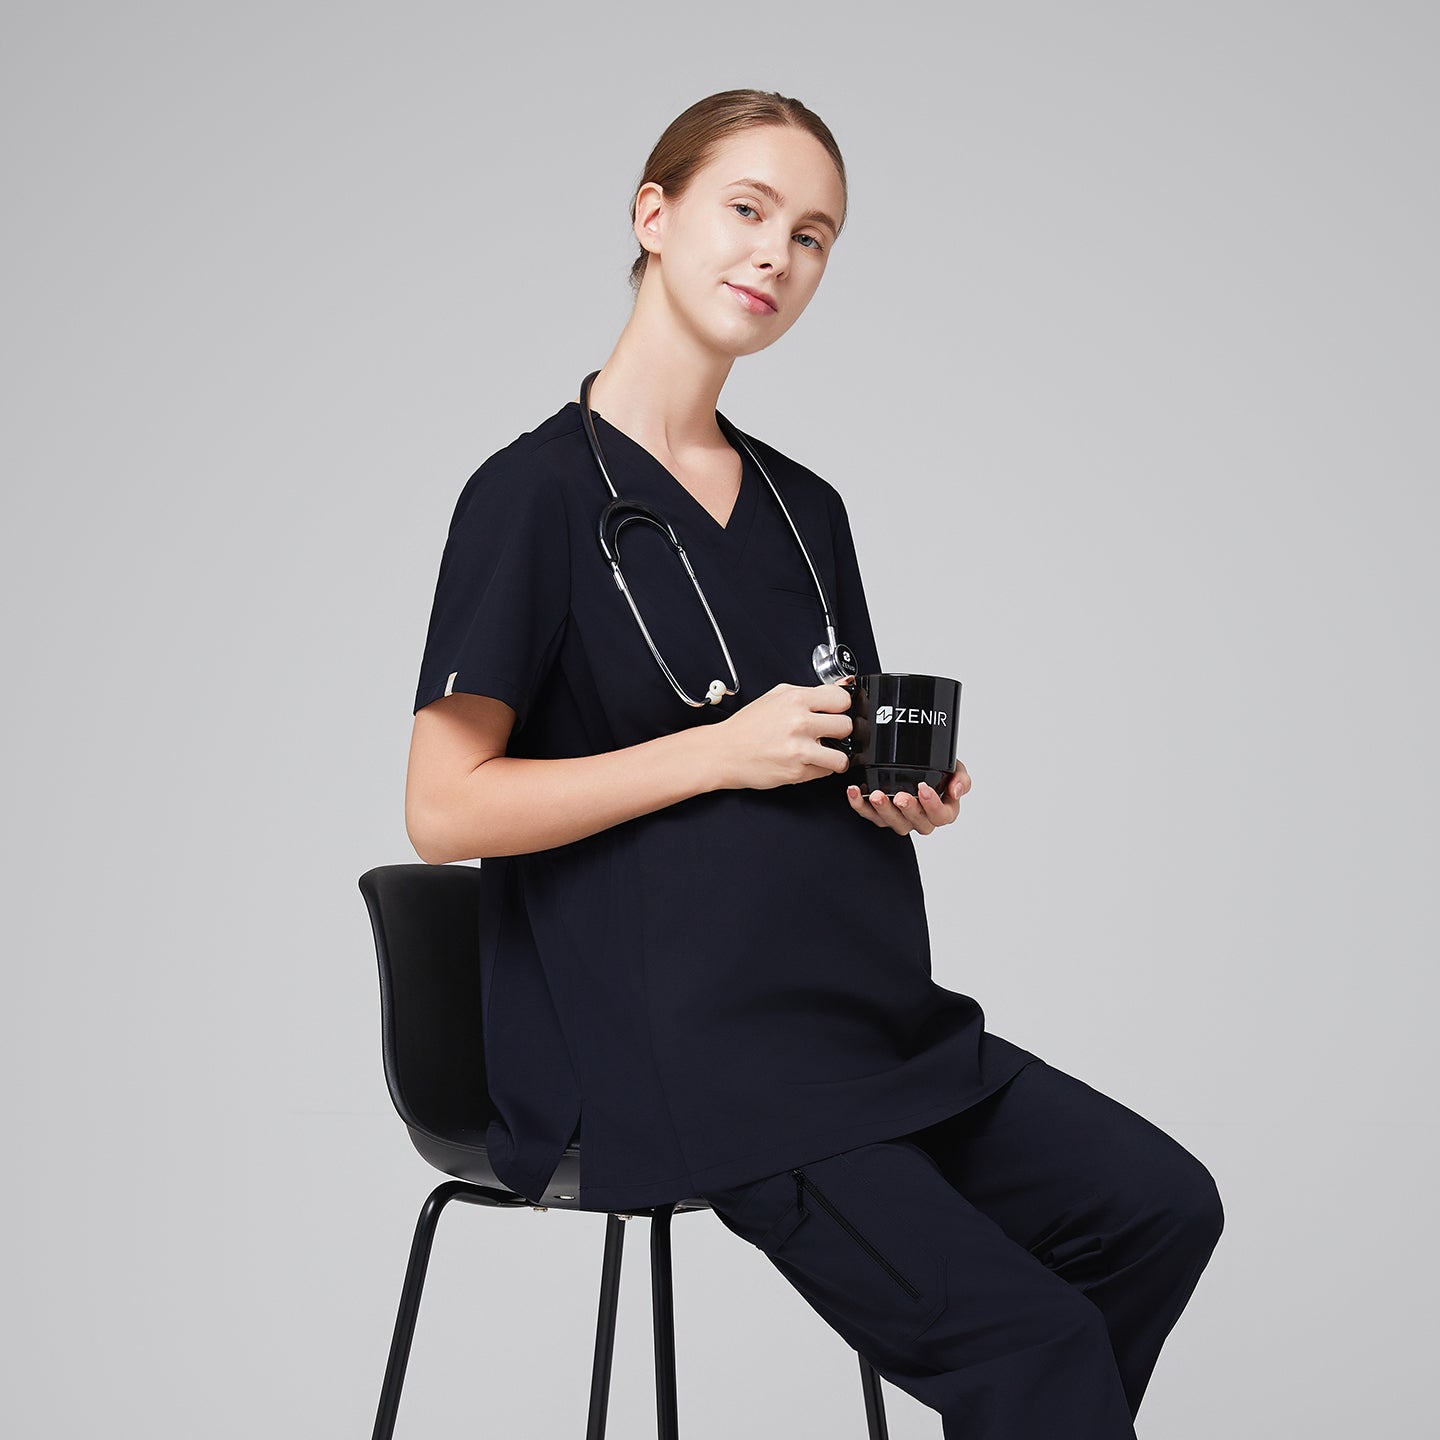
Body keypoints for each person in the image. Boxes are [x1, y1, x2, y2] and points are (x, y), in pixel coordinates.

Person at [405, 88, 1223, 1438]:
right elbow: (443, 809)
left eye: (815, 234)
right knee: (1033, 1352)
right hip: (678, 1052)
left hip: (866, 1023)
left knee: (1155, 1210)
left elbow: (817, 752)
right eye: (747, 210)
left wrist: (894, 798)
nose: (778, 254)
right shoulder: (533, 496)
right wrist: (714, 751)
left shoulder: (803, 506)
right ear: (653, 216)